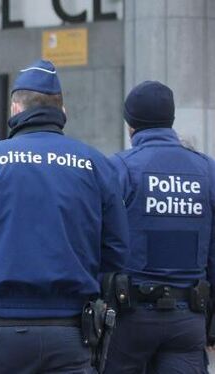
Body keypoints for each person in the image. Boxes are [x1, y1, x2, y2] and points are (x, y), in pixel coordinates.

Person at [0, 60, 129, 373]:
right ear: (62, 111)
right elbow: (117, 250)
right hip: (71, 331)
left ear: (15, 107)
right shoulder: (96, 165)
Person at [104, 81, 215, 373]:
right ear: (171, 119)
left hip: (130, 317)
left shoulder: (119, 168)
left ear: (130, 124)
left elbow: (99, 241)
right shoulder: (207, 170)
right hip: (189, 316)